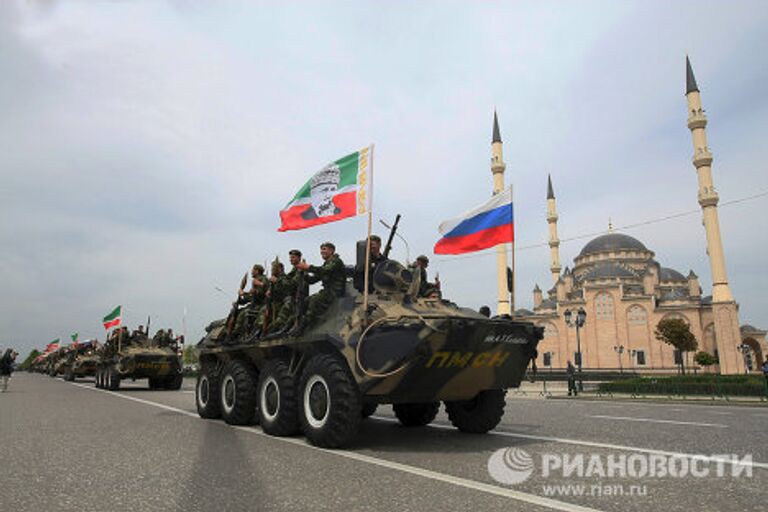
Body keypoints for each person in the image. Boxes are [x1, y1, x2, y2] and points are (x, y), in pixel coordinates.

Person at [292, 242, 346, 336]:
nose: (322, 251)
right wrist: (303, 272)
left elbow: (325, 271)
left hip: (335, 292)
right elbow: (312, 280)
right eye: (321, 249)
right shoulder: (326, 264)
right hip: (327, 292)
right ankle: (298, 325)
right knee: (304, 302)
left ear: (332, 250)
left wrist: (308, 267)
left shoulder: (336, 261)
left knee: (315, 300)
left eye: (324, 249)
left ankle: (302, 328)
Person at [232, 264, 267, 338]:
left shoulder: (263, 279)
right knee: (238, 312)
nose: (252, 272)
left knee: (245, 313)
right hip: (254, 304)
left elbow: (260, 293)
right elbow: (250, 297)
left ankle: (245, 333)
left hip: (261, 304)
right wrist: (239, 301)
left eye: (253, 270)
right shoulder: (255, 281)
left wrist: (246, 293)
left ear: (257, 271)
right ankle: (235, 333)